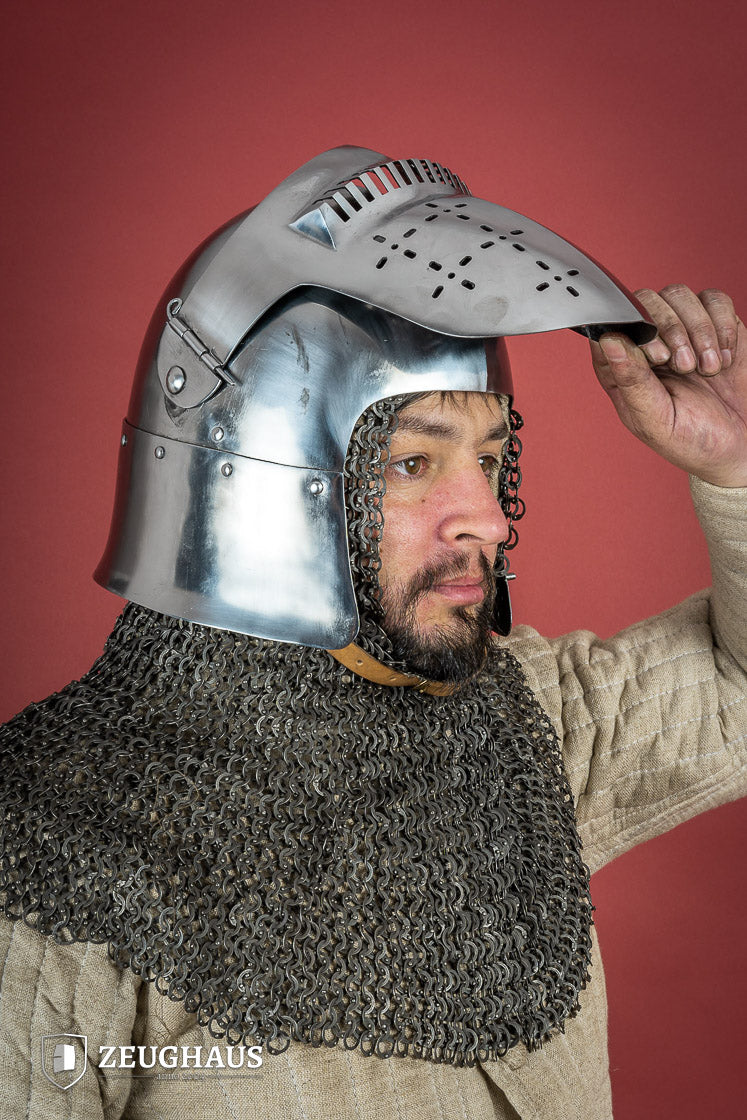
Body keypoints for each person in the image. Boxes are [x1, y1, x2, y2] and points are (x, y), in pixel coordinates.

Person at [0, 146, 744, 1120]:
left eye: (490, 458)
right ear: (263, 483)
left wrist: (736, 467)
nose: (488, 519)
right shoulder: (55, 837)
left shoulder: (524, 729)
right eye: (412, 465)